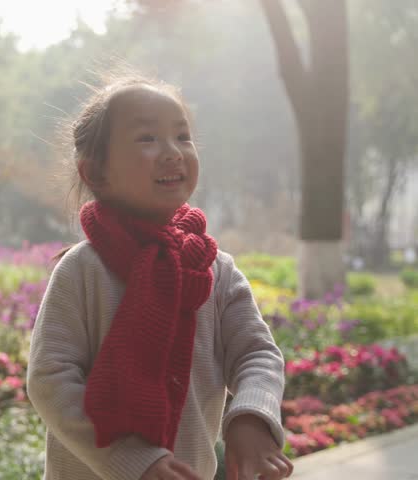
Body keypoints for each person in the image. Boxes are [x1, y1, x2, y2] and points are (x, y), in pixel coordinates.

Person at [26, 73, 293, 480]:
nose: (172, 152)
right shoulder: (83, 271)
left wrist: (251, 417)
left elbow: (257, 354)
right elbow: (50, 379)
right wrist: (134, 460)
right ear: (95, 174)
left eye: (182, 137)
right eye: (147, 139)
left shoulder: (215, 270)